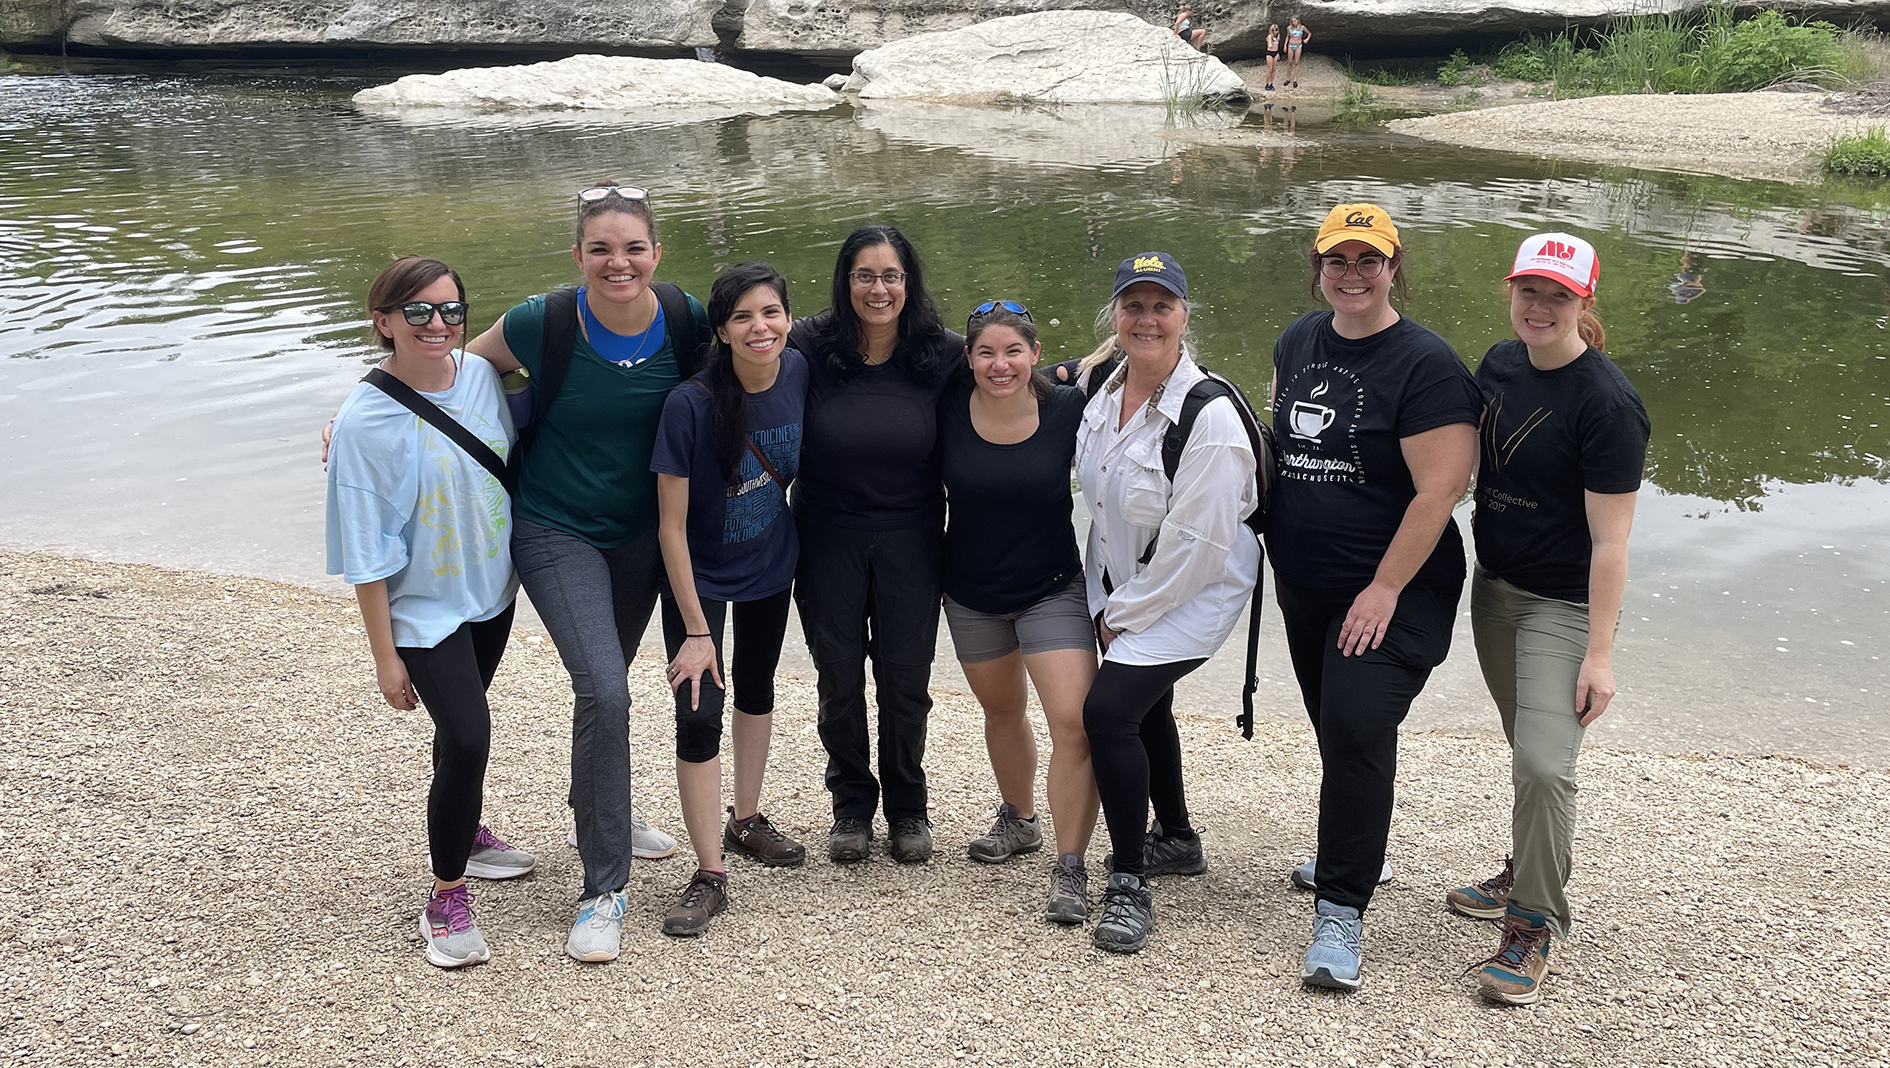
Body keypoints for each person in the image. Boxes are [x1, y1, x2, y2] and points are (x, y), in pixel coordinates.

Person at [458, 182, 708, 962]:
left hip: (645, 536)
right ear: (578, 256)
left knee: (611, 684)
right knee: (602, 684)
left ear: (656, 254)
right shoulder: (545, 319)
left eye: (633, 247)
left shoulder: (686, 317)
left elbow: (735, 386)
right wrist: (363, 410)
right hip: (554, 526)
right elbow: (454, 370)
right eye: (600, 248)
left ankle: (604, 802)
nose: (618, 262)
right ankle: (604, 886)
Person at [1268, 204, 1480, 989]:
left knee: (1357, 725)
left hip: (1399, 587)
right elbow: (1286, 446)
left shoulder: (1425, 364)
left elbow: (1441, 489)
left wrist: (1385, 588)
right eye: (1337, 260)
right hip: (1308, 579)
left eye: (1369, 260)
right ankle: (1354, 847)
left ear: (1395, 267)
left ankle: (1341, 910)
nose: (1351, 275)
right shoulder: (1298, 339)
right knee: (1335, 723)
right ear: (1319, 267)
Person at [1454, 233, 1649, 1005]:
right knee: (1530, 748)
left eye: (1558, 296)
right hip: (1494, 589)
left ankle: (1533, 923)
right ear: (1511, 291)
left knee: (1544, 763)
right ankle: (1523, 869)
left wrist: (1600, 654)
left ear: (1584, 303)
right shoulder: (1500, 364)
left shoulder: (1607, 404)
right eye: (1529, 291)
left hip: (1563, 604)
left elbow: (1612, 543)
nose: (1540, 307)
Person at [326, 256, 530, 969]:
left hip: (491, 597)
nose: (437, 324)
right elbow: (365, 552)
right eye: (418, 312)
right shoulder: (362, 425)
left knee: (459, 731)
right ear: (384, 323)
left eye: (450, 309)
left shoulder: (478, 375)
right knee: (471, 736)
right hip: (422, 613)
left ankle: (466, 829)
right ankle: (445, 895)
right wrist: (385, 658)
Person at [1073, 252, 1260, 954]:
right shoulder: (1103, 389)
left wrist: (1125, 615)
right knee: (1146, 706)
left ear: (1185, 316)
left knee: (1108, 711)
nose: (1146, 318)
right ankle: (1177, 838)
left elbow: (1198, 546)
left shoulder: (1207, 417)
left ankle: (1127, 880)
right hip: (1123, 584)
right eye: (1133, 305)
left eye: (1162, 306)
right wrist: (1108, 598)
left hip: (1192, 591)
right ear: (1115, 315)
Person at [787, 226, 964, 865]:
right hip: (825, 533)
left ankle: (909, 807)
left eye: (891, 276)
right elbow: (740, 358)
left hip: (913, 536)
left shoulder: (941, 353)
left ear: (908, 283)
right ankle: (852, 806)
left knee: (906, 679)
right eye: (865, 275)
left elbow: (1015, 377)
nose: (878, 289)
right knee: (838, 678)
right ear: (846, 282)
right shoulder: (808, 343)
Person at [650, 262, 810, 936]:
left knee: (758, 688)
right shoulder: (690, 405)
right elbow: (670, 526)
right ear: (721, 329)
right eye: (742, 316)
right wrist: (694, 628)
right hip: (701, 583)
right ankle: (710, 870)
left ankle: (746, 819)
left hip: (772, 566)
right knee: (698, 714)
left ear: (788, 319)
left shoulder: (800, 372)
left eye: (770, 312)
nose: (759, 327)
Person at [939, 300, 1101, 922]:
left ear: (1035, 355)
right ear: (969, 358)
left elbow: (1128, 371)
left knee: (1072, 720)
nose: (999, 364)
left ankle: (1070, 865)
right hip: (971, 591)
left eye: (1013, 351)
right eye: (985, 352)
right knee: (1002, 709)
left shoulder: (1069, 408)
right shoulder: (948, 407)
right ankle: (1020, 818)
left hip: (1051, 586)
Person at [1285, 16, 1311, 90]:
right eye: (1292, 21)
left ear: (1298, 21)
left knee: (1296, 62)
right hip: (1291, 45)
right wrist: (1285, 45)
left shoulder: (1302, 28)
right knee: (1290, 62)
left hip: (1298, 46)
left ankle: (1295, 80)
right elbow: (1287, 37)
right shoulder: (1289, 28)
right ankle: (1288, 79)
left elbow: (1309, 33)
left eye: (1295, 21)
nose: (1294, 23)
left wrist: (1307, 39)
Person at [1265, 24, 1283, 92]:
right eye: (1273, 31)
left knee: (1274, 69)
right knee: (1270, 69)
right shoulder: (1270, 36)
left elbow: (1277, 46)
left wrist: (1278, 53)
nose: (1275, 32)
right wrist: (1270, 44)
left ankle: (1271, 84)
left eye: (1276, 30)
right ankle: (1267, 84)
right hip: (1270, 53)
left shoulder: (1277, 37)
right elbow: (1269, 44)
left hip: (1275, 53)